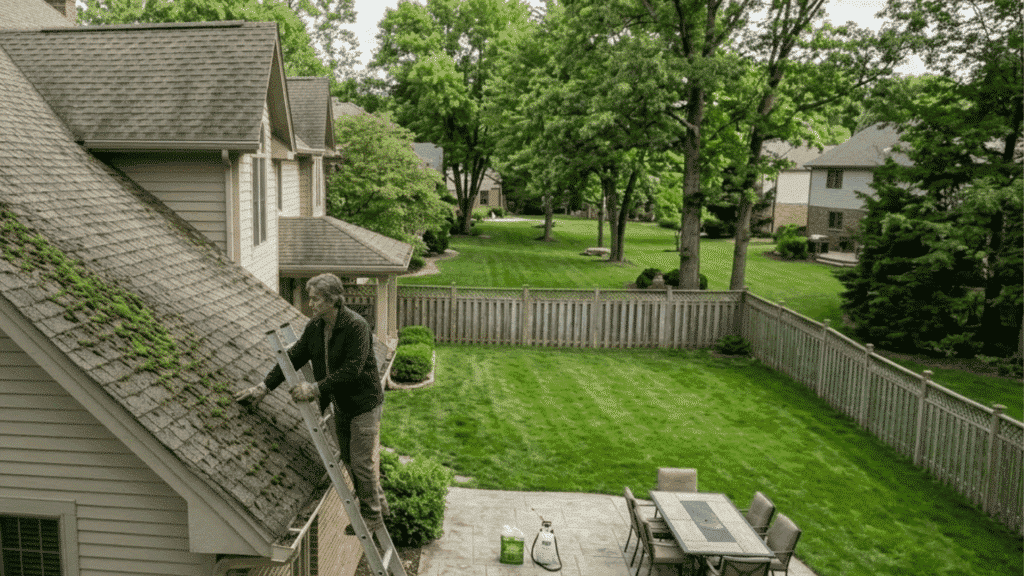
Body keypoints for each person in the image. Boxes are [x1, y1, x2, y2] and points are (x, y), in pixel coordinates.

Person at [235, 273, 389, 531]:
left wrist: (315, 389)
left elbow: (353, 370)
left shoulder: (356, 327)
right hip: (340, 404)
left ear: (333, 300)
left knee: (361, 462)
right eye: (311, 298)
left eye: (316, 299)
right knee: (350, 460)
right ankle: (379, 504)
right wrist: (264, 387)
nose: (311, 304)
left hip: (364, 404)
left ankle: (372, 517)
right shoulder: (315, 328)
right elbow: (294, 357)